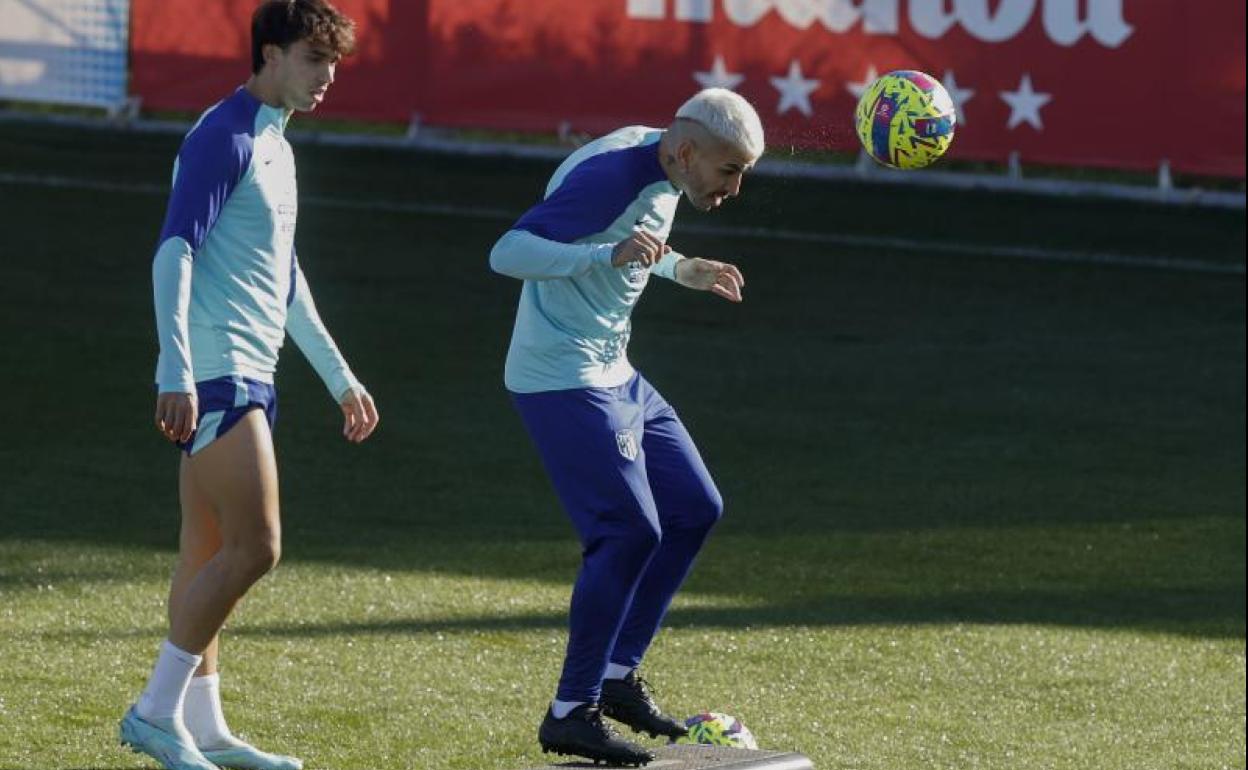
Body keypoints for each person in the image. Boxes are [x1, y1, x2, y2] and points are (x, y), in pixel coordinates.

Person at [120, 3, 379, 769]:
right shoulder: (225, 135)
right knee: (258, 547)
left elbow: (286, 280)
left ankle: (205, 727)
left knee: (206, 553)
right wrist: (175, 369)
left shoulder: (276, 143)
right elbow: (174, 252)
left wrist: (340, 377)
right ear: (268, 55)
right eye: (312, 59)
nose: (326, 76)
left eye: (332, 63)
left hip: (247, 370)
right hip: (218, 373)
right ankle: (153, 713)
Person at [489, 88, 764, 766]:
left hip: (615, 371)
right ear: (689, 151)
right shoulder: (611, 176)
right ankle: (570, 711)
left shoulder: (664, 156)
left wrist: (678, 267)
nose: (734, 189)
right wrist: (599, 258)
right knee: (628, 531)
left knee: (695, 507)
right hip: (561, 377)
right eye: (729, 172)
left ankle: (615, 675)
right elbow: (509, 251)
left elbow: (633, 240)